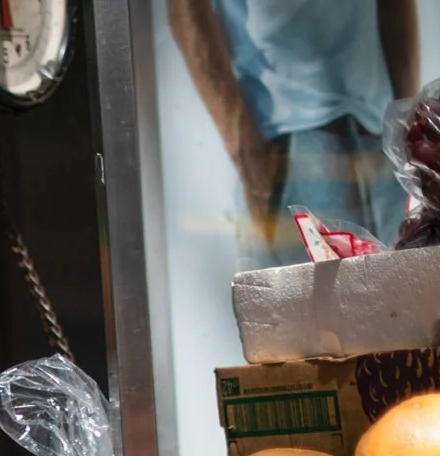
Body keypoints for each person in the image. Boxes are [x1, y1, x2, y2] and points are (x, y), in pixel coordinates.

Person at [171, 0, 417, 263]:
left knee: (398, 298)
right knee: (305, 302)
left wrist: (406, 124)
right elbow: (185, 9)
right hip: (287, 144)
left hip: (379, 133)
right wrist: (246, 149)